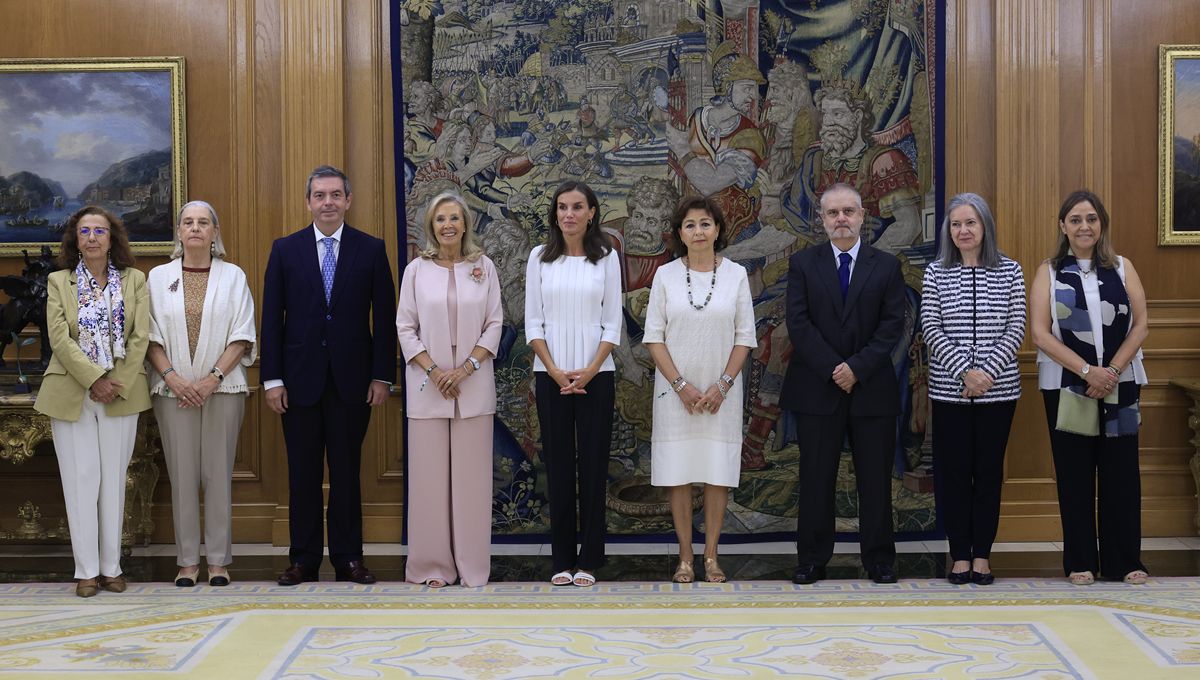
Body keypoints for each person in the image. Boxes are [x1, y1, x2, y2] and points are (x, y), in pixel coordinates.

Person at [261, 165, 397, 586]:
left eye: (336, 195)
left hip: (353, 383)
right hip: (297, 383)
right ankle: (302, 559)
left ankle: (348, 558)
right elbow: (271, 319)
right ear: (308, 202)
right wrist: (272, 380)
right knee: (301, 474)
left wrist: (381, 376)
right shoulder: (285, 250)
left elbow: (385, 319)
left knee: (346, 473)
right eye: (320, 195)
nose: (328, 203)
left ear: (348, 200)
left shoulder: (371, 250)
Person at [780, 183, 905, 585]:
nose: (841, 219)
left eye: (849, 211)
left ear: (862, 216)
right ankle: (812, 559)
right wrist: (835, 368)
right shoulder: (803, 264)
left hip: (871, 388)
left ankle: (879, 560)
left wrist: (856, 368)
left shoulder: (886, 265)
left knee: (875, 479)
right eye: (833, 213)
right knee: (816, 478)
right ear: (822, 219)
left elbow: (892, 327)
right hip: (818, 387)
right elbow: (798, 324)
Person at [1030, 190, 1149, 586]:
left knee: (1121, 473)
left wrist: (1111, 371)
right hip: (1067, 384)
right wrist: (1087, 371)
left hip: (1122, 383)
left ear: (1102, 225)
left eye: (1092, 219)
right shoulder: (1048, 270)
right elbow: (1040, 333)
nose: (1085, 226)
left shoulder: (1122, 267)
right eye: (1076, 219)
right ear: (1063, 226)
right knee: (1075, 473)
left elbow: (1141, 326)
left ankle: (1123, 560)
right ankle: (1080, 560)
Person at [35, 206, 150, 597]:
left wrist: (115, 382)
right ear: (75, 240)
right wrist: (94, 379)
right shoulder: (58, 281)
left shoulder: (134, 280)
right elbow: (59, 338)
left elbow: (140, 338)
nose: (92, 237)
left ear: (112, 238)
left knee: (114, 481)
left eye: (99, 231)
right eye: (84, 231)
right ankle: (85, 571)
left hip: (121, 390)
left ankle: (111, 568)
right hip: (73, 392)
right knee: (81, 481)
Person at [644, 197, 755, 583]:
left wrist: (722, 385)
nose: (698, 232)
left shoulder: (737, 275)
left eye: (705, 224)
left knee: (716, 472)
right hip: (676, 395)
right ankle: (686, 557)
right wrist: (682, 386)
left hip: (721, 394)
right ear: (679, 233)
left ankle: (711, 557)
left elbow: (745, 337)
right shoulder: (665, 276)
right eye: (689, 225)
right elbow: (654, 338)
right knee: (679, 473)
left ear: (718, 230)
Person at [146, 201, 256, 588]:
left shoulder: (233, 276)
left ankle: (219, 562)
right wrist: (175, 379)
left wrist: (210, 379)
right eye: (188, 222)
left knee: (217, 474)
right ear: (178, 232)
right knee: (182, 476)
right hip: (171, 390)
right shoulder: (158, 278)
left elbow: (242, 335)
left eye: (203, 222)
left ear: (215, 232)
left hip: (223, 389)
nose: (195, 228)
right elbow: (148, 335)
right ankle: (187, 562)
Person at [396, 192, 502, 587]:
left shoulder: (484, 267)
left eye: (454, 218)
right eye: (440, 219)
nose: (447, 225)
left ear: (465, 224)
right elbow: (405, 326)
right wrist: (436, 370)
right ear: (431, 226)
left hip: (472, 387)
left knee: (473, 483)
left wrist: (466, 367)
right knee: (428, 482)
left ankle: (472, 568)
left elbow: (494, 323)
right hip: (428, 387)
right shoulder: (416, 270)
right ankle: (432, 568)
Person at [921, 193, 1026, 586]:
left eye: (971, 223)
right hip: (950, 393)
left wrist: (986, 374)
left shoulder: (1010, 271)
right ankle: (959, 554)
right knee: (954, 473)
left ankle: (982, 555)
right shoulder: (936, 273)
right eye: (956, 225)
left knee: (987, 473)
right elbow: (931, 328)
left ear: (985, 227)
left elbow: (1015, 328)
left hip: (999, 394)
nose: (963, 231)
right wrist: (966, 372)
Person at [525, 181, 622, 587]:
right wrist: (555, 369)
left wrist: (588, 369)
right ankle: (562, 559)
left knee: (594, 467)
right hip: (551, 377)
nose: (569, 214)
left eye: (577, 207)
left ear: (592, 213)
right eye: (562, 207)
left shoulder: (607, 258)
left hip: (596, 376)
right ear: (556, 214)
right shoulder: (539, 258)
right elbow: (533, 322)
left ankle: (589, 560)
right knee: (559, 467)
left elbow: (612, 322)